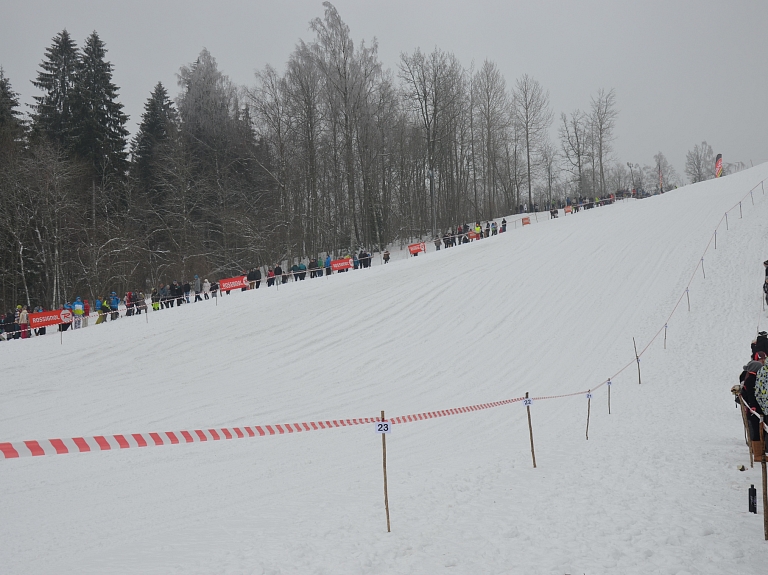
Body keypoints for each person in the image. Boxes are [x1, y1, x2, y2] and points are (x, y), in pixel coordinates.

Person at [745, 352, 768, 460]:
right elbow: (751, 394)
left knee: (761, 430)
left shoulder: (752, 378)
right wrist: (753, 406)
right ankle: (758, 454)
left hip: (756, 408)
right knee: (757, 430)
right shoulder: (751, 380)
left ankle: (761, 453)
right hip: (754, 409)